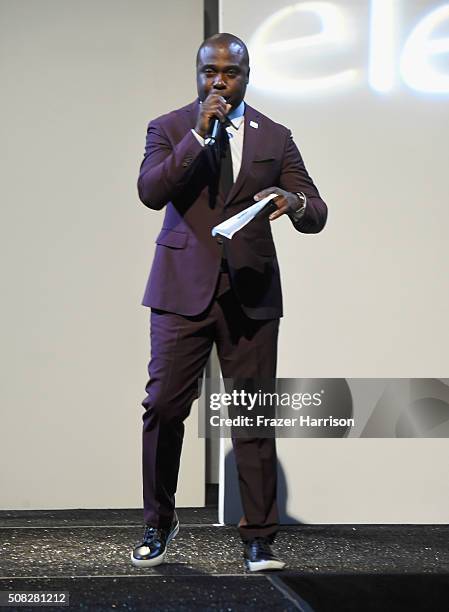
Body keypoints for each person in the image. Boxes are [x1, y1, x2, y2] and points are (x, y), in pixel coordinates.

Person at [131, 33, 327, 572]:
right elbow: (151, 192)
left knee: (252, 415)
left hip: (251, 294)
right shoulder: (170, 127)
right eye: (209, 71)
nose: (219, 81)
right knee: (164, 407)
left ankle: (259, 537)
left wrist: (293, 201)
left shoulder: (276, 136)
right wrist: (197, 136)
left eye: (231, 72)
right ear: (198, 74)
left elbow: (316, 209)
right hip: (180, 292)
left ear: (247, 74)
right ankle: (158, 521)